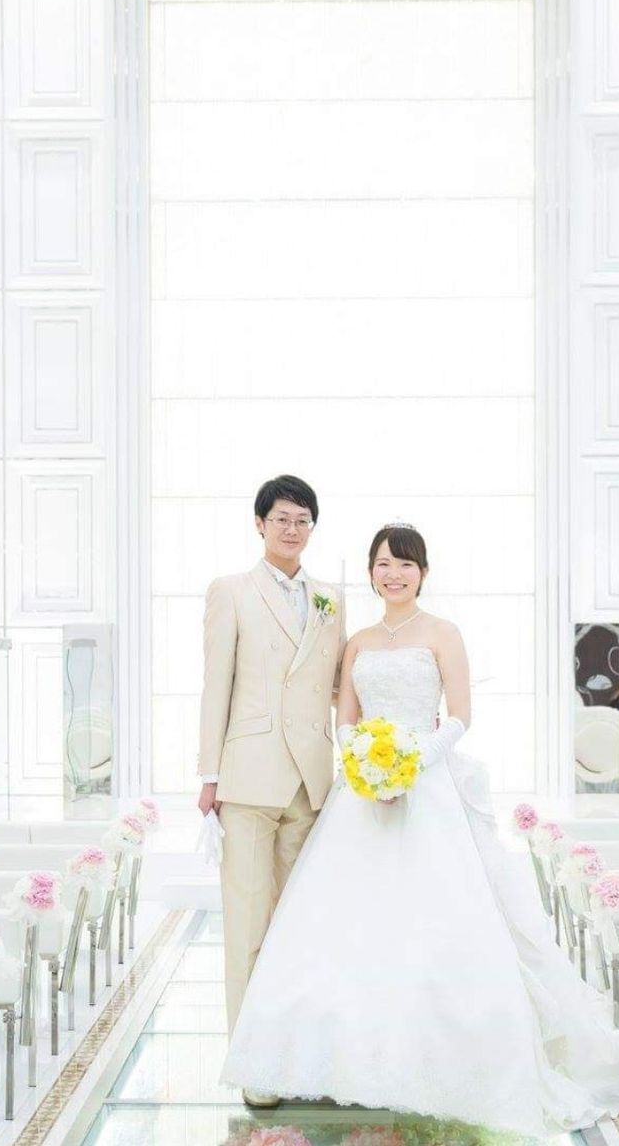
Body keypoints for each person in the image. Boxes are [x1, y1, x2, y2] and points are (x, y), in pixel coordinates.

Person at [220, 523, 619, 1135]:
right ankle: (341, 1064)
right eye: (383, 564)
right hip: (362, 795)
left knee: (434, 922)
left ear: (422, 572)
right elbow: (345, 719)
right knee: (344, 925)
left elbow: (462, 716)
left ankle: (436, 1064)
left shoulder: (443, 633)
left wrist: (412, 761)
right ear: (371, 573)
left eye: (405, 564)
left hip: (429, 785)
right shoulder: (357, 641)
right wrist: (364, 763)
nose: (393, 574)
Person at [198, 474, 346, 1109]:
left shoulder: (332, 598)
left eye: (302, 519)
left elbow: (340, 685)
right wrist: (208, 775)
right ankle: (252, 1063)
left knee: (301, 929)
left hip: (312, 781)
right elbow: (216, 685)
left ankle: (297, 1054)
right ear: (259, 524)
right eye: (282, 518)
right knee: (247, 925)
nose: (292, 528)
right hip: (249, 778)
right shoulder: (230, 591)